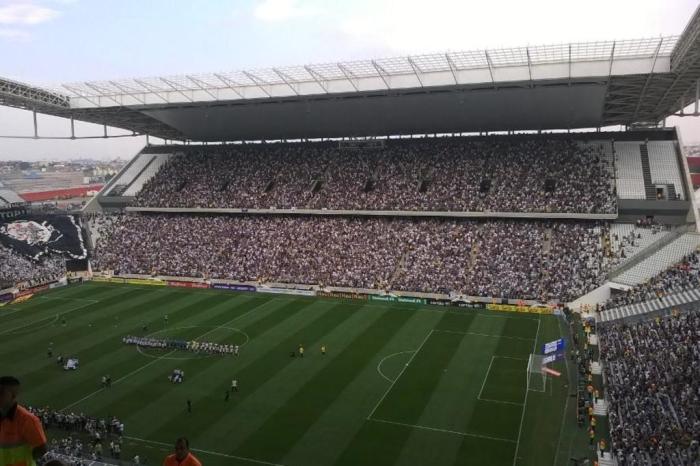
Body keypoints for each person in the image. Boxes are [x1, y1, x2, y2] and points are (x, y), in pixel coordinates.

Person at [0, 376, 47, 466]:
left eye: (1, 393)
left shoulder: (27, 420)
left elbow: (42, 448)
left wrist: (24, 461)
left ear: (13, 395)